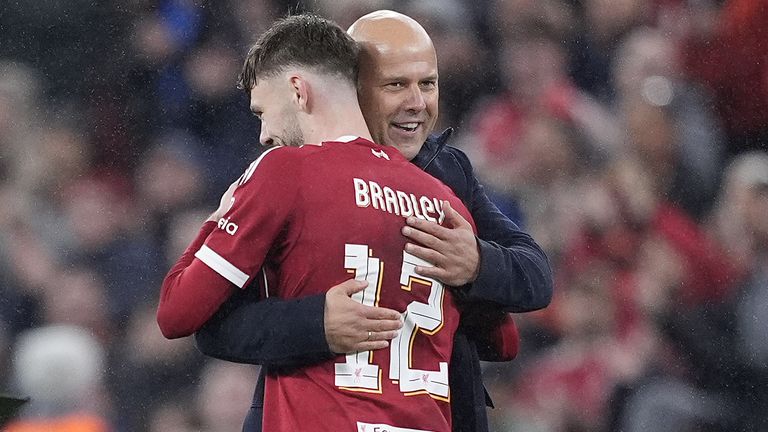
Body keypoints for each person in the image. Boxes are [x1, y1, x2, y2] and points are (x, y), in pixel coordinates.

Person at [193, 10, 553, 432]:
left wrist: (477, 263)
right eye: (396, 85)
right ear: (353, 88)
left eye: (428, 84)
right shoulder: (292, 174)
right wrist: (316, 323)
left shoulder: (449, 173)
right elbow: (214, 325)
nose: (417, 103)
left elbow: (536, 276)